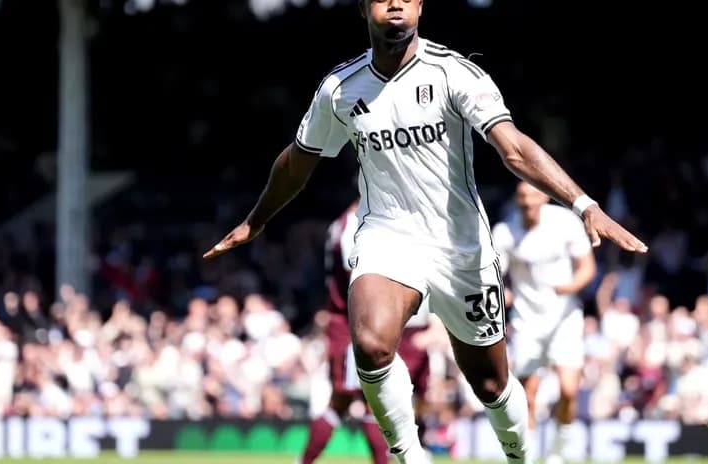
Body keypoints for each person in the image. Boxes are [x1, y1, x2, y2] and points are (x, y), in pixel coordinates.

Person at [203, 1, 647, 462]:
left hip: (461, 247)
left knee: (491, 384)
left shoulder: (454, 73)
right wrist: (255, 221)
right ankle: (410, 456)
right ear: (363, 8)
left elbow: (513, 149)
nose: (395, 2)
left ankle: (520, 454)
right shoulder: (339, 87)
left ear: (420, 6)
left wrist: (583, 204)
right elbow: (298, 160)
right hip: (386, 235)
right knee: (372, 346)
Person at [302, 196, 434, 464]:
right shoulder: (354, 226)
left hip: (369, 326)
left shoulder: (349, 224)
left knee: (367, 401)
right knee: (368, 401)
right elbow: (363, 279)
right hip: (359, 327)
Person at [493, 181, 596, 464]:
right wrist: (504, 294)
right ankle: (527, 455)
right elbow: (492, 276)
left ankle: (558, 453)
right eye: (522, 196)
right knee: (527, 393)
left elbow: (588, 268)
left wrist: (569, 286)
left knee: (569, 390)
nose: (527, 202)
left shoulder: (566, 224)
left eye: (532, 195)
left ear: (545, 198)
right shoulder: (504, 232)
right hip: (527, 320)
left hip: (564, 317)